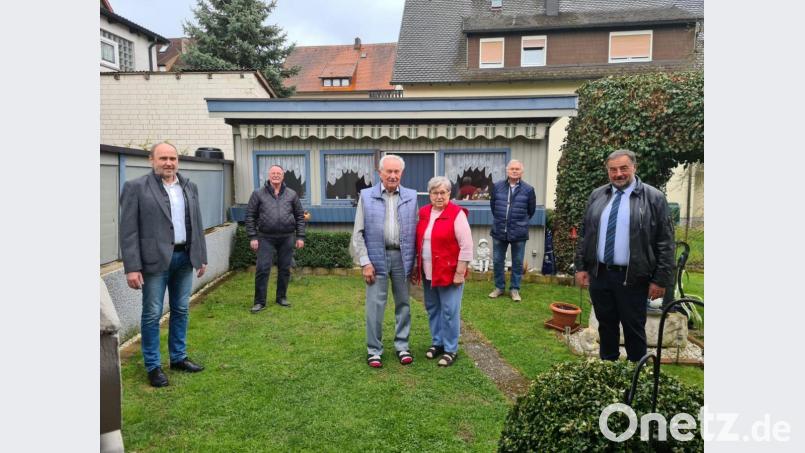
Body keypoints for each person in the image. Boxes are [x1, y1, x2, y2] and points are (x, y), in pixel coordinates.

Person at [119, 142, 208, 388]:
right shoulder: (135, 188)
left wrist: (200, 256)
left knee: (181, 310)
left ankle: (178, 358)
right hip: (153, 262)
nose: (168, 163)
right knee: (152, 314)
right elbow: (128, 231)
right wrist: (132, 267)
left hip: (184, 258)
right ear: (152, 160)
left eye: (172, 158)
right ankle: (153, 366)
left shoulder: (189, 187)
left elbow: (196, 223)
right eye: (163, 158)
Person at [574, 149, 675, 362]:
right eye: (613, 170)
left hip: (634, 278)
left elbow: (666, 242)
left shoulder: (654, 198)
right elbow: (586, 234)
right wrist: (581, 267)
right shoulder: (597, 195)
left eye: (623, 168)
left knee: (634, 330)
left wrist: (660, 279)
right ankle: (609, 374)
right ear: (608, 172)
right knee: (606, 328)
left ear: (634, 168)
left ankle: (637, 379)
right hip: (601, 275)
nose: (618, 174)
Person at [352, 154, 418, 368]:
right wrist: (365, 262)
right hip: (375, 258)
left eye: (396, 171)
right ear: (379, 173)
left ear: (402, 173)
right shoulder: (366, 195)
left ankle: (402, 346)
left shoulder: (411, 196)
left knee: (404, 304)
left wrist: (416, 260)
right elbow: (358, 233)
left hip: (402, 257)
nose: (392, 175)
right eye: (388, 171)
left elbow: (416, 230)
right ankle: (374, 350)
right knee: (375, 306)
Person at [414, 176, 473, 367]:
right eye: (435, 192)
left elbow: (467, 246)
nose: (439, 196)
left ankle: (450, 349)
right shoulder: (423, 212)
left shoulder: (457, 214)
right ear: (429, 194)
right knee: (433, 309)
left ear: (449, 194)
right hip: (428, 271)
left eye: (443, 192)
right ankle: (437, 343)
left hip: (449, 272)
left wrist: (459, 272)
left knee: (449, 311)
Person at [245, 165, 306, 313]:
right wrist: (253, 236)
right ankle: (260, 302)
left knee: (284, 268)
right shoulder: (258, 194)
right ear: (269, 175)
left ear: (283, 176)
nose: (276, 176)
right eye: (273, 173)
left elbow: (299, 216)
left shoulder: (292, 194)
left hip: (287, 237)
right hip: (265, 237)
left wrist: (300, 236)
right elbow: (250, 216)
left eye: (278, 173)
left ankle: (281, 297)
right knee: (262, 269)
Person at [488, 159, 536, 302]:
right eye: (512, 168)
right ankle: (499, 287)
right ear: (507, 170)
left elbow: (531, 211)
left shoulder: (528, 189)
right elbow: (493, 207)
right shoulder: (497, 187)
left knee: (517, 262)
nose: (514, 171)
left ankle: (515, 289)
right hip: (499, 230)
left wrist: (520, 222)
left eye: (517, 169)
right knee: (497, 260)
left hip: (519, 232)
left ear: (522, 171)